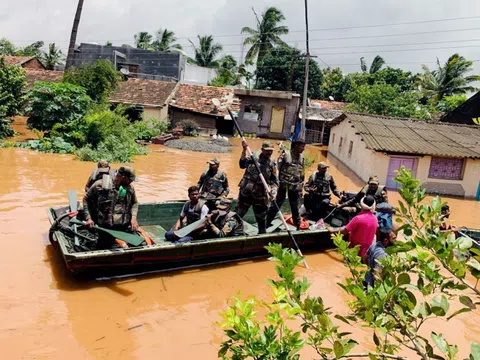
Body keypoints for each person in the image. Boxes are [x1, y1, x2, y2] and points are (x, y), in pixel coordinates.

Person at [83, 166, 139, 249]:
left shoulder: (130, 188)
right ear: (123, 177)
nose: (131, 182)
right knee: (103, 250)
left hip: (124, 228)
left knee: (136, 245)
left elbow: (135, 203)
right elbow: (86, 199)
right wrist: (88, 218)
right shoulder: (100, 185)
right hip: (106, 229)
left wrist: (133, 218)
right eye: (130, 179)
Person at [237, 140, 278, 234]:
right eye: (267, 150)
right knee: (238, 216)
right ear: (262, 149)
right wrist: (243, 150)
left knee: (261, 220)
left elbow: (274, 181)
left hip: (260, 196)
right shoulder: (253, 156)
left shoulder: (272, 163)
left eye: (271, 150)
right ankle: (233, 233)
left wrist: (274, 192)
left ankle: (261, 237)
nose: (269, 152)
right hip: (246, 193)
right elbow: (242, 165)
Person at [266, 139, 305, 229]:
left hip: (295, 186)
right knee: (276, 204)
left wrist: (301, 186)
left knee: (294, 206)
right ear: (296, 146)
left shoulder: (301, 157)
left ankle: (298, 225)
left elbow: (302, 173)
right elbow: (277, 169)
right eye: (302, 146)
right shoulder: (285, 155)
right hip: (283, 185)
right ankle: (267, 222)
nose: (303, 149)